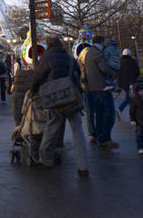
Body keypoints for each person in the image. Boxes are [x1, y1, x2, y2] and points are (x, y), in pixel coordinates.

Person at [32, 36, 89, 177]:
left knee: (52, 128)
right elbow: (77, 74)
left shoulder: (46, 59)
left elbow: (37, 78)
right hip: (72, 98)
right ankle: (83, 166)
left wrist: (33, 91)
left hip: (55, 99)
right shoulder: (69, 59)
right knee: (78, 131)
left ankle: (46, 159)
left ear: (49, 46)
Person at [78, 35, 119, 148]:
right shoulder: (97, 53)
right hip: (101, 88)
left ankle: (99, 136)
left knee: (98, 114)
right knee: (109, 115)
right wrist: (113, 73)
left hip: (91, 88)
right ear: (101, 42)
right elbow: (103, 68)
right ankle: (105, 138)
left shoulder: (89, 53)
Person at [117, 48, 141, 115]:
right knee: (131, 97)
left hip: (122, 82)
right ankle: (121, 108)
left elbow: (117, 73)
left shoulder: (120, 62)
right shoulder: (133, 61)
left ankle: (130, 111)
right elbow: (137, 72)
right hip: (131, 82)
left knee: (129, 97)